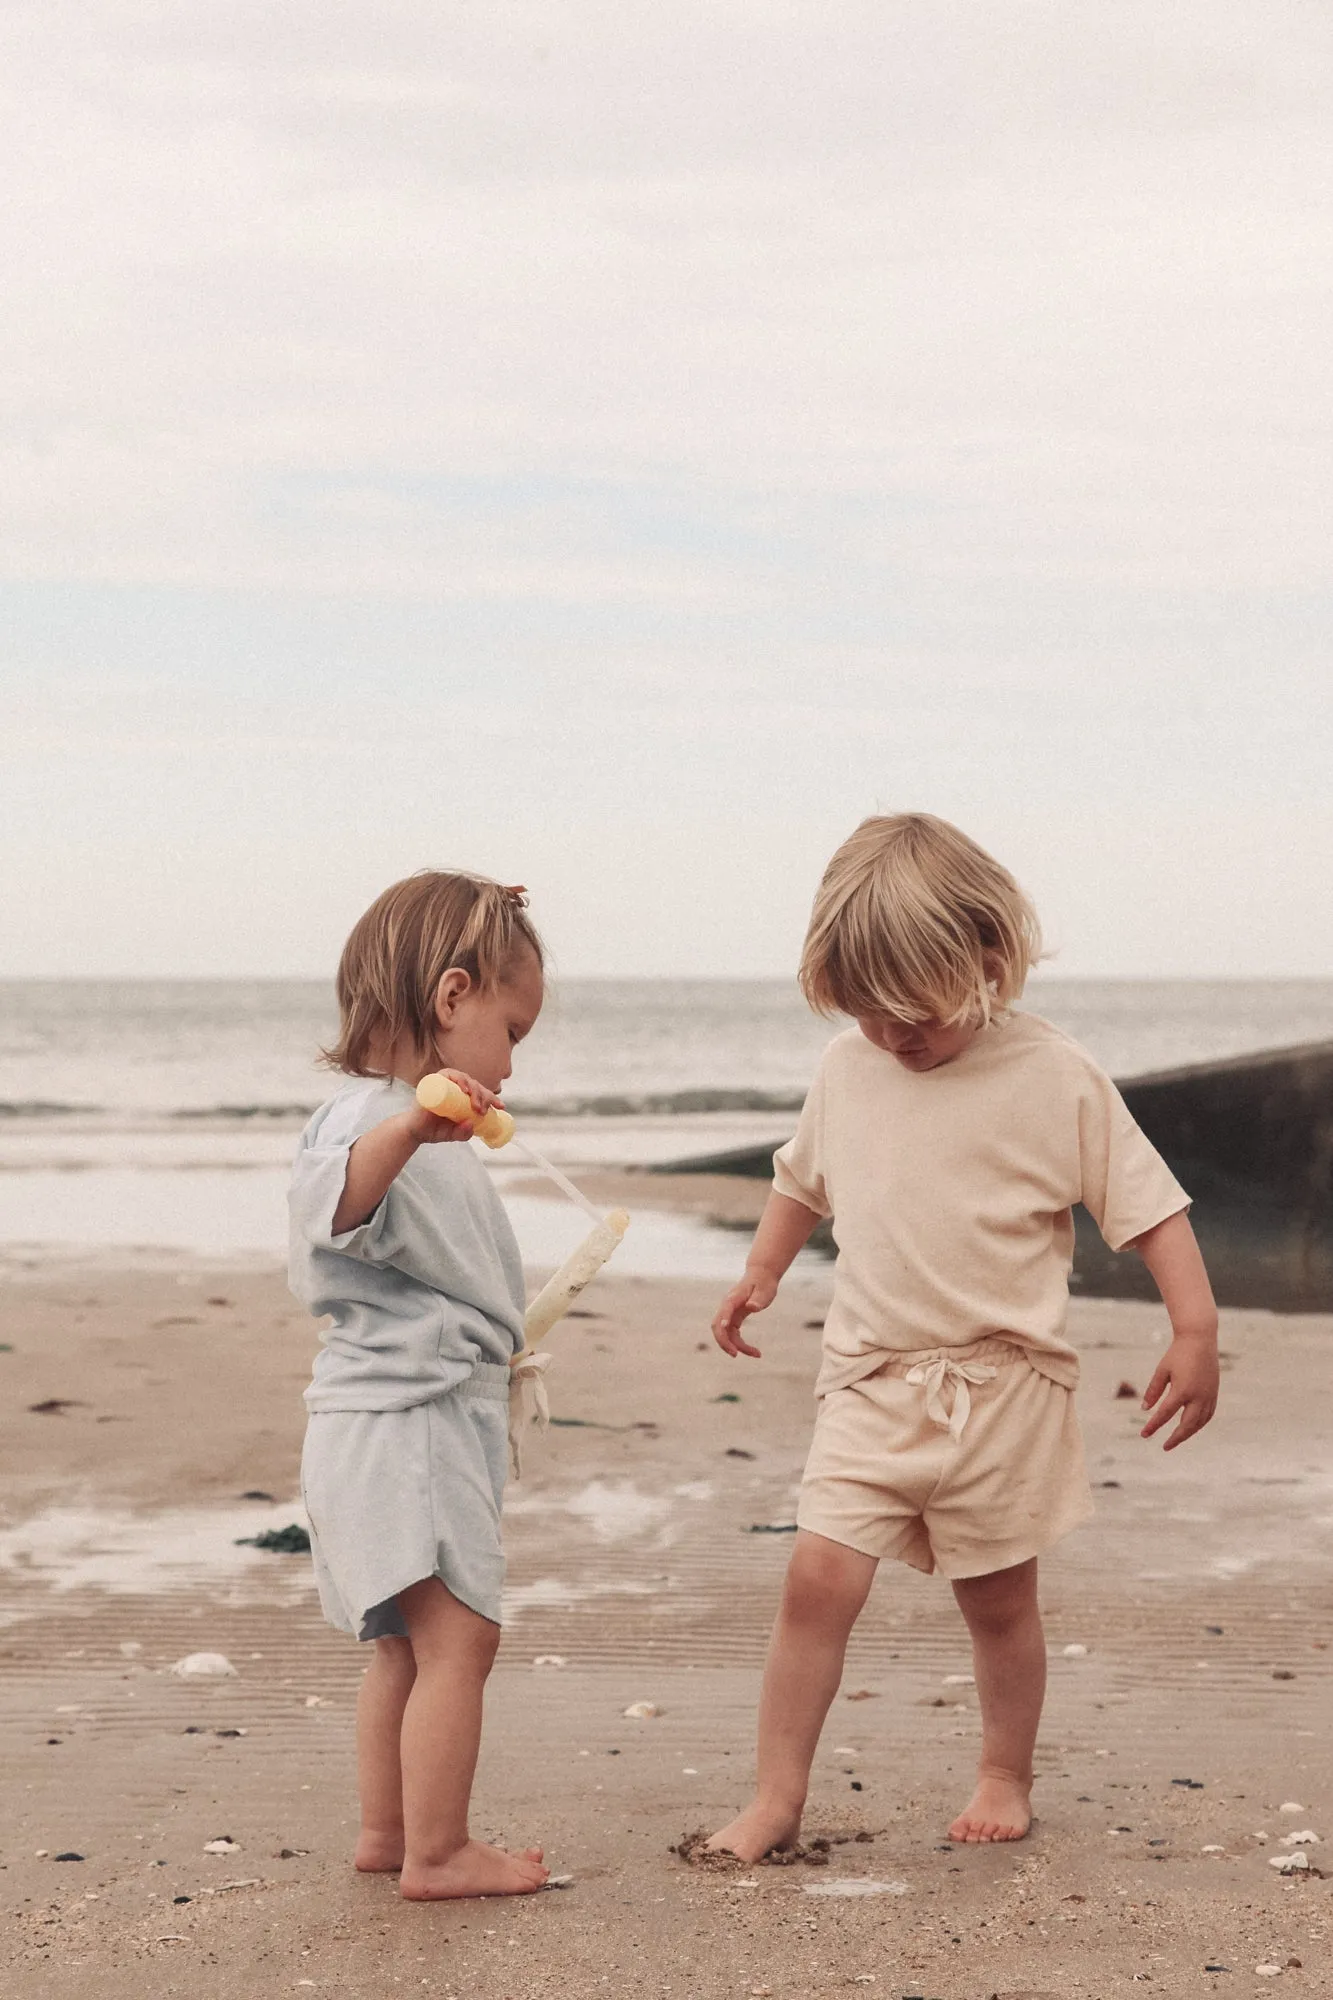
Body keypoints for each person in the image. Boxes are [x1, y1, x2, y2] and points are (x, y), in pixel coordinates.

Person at [706, 814, 1219, 1859]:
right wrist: (762, 1267)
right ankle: (774, 1795)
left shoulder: (1054, 1073)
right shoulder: (847, 1070)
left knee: (996, 1600)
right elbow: (799, 1178)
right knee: (816, 1576)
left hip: (1005, 1389)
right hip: (872, 1377)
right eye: (866, 1014)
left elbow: (1148, 1207)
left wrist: (1195, 1323)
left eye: (916, 1011)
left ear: (988, 960)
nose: (896, 1037)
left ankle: (1002, 1769)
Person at [289, 870, 550, 1899]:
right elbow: (336, 1203)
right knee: (461, 1634)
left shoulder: (406, 1123)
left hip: (395, 1415)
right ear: (451, 998)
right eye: (512, 1030)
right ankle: (439, 1850)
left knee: (405, 1637)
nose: (514, 1063)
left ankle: (386, 1829)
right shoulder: (374, 1123)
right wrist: (406, 1131)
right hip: (407, 1419)